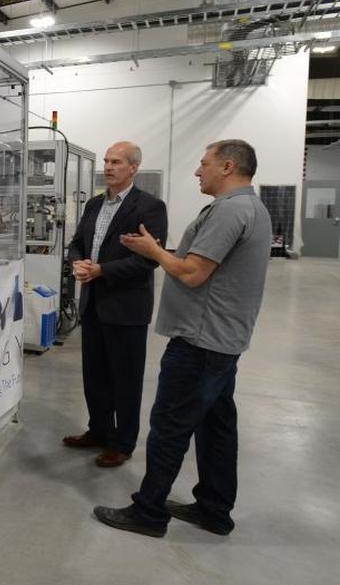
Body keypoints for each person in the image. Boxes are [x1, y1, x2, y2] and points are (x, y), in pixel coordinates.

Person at [94, 139, 272, 537]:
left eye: (204, 163)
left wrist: (154, 251)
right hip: (224, 339)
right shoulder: (252, 208)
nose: (197, 171)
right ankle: (214, 508)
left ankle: (148, 512)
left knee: (169, 426)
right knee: (216, 426)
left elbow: (192, 273)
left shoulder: (230, 210)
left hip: (200, 341)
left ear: (227, 167)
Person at [63, 141, 167, 468]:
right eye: (107, 161)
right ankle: (99, 430)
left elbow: (148, 260)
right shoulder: (94, 204)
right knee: (94, 376)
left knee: (125, 379)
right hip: (93, 303)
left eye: (117, 162)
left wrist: (101, 270)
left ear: (134, 167)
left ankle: (123, 443)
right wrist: (78, 263)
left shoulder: (150, 207)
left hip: (126, 307)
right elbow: (77, 243)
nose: (108, 167)